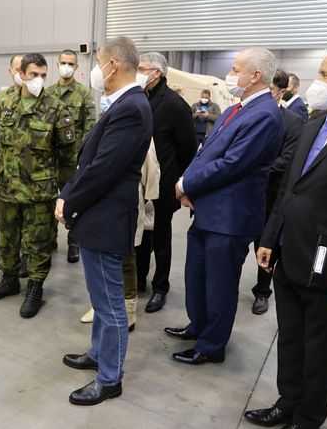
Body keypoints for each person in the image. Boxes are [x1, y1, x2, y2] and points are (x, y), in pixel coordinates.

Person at [247, 45, 327, 429]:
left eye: (326, 75)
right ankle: (288, 401)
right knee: (290, 340)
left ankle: (308, 418)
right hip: (290, 253)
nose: (318, 82)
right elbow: (289, 189)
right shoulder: (314, 122)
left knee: (318, 351)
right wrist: (269, 237)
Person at [167, 48, 283, 365]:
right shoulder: (237, 109)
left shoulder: (263, 115)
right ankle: (199, 326)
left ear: (255, 76)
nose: (230, 75)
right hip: (208, 211)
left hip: (229, 218)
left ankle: (211, 346)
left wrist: (187, 184)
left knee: (219, 285)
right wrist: (187, 180)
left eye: (235, 69)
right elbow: (207, 153)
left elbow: (232, 165)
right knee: (197, 277)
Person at [57, 36, 152, 406]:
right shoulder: (124, 103)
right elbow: (90, 162)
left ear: (114, 65)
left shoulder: (131, 106)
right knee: (101, 297)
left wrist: (69, 201)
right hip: (101, 214)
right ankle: (97, 353)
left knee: (111, 305)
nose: (94, 69)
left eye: (98, 61)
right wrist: (70, 193)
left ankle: (110, 378)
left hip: (107, 215)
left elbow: (103, 169)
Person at [0, 53, 75, 318]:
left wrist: (66, 193)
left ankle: (35, 288)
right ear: (21, 74)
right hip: (7, 188)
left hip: (40, 191)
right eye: (33, 74)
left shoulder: (56, 108)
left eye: (43, 76)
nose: (38, 80)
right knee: (7, 237)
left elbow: (68, 155)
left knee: (38, 242)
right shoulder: (6, 102)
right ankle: (10, 279)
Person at [136, 52, 197, 313]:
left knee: (160, 238)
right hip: (138, 183)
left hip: (163, 185)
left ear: (157, 73)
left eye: (142, 68)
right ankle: (138, 279)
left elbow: (188, 149)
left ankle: (160, 287)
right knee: (139, 235)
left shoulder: (174, 104)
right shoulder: (138, 98)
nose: (137, 71)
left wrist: (179, 182)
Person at [80, 139, 160, 330]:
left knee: (125, 256)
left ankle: (129, 310)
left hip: (126, 199)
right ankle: (100, 305)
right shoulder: (106, 126)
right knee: (100, 255)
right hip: (99, 198)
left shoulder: (140, 129)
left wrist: (148, 198)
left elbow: (151, 169)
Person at [250, 69, 304, 315]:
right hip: (242, 195)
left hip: (269, 194)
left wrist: (251, 169)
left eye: (269, 90)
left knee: (264, 246)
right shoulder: (248, 115)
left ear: (281, 91)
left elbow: (287, 160)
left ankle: (262, 292)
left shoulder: (292, 122)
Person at [45, 49, 96, 263]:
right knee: (48, 202)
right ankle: (49, 240)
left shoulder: (83, 93)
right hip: (49, 160)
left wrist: (82, 159)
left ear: (76, 67)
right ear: (57, 65)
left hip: (72, 160)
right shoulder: (47, 93)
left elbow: (90, 128)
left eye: (71, 63)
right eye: (63, 62)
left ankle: (73, 242)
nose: (66, 66)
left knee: (71, 203)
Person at [0, 54, 23, 272]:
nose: (20, 73)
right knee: (8, 223)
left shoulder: (43, 99)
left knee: (30, 225)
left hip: (32, 176)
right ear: (10, 71)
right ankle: (8, 259)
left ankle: (27, 260)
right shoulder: (3, 99)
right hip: (7, 174)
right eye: (17, 69)